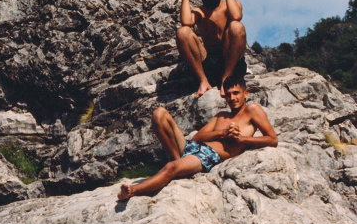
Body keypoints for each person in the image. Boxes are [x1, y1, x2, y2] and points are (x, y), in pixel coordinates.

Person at [117, 76, 277, 201]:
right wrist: (222, 133)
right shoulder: (221, 115)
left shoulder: (252, 110)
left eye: (236, 93)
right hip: (193, 147)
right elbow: (198, 136)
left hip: (209, 156)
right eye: (228, 95)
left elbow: (272, 140)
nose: (232, 98)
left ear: (245, 94)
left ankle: (132, 191)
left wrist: (242, 139)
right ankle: (178, 160)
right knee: (159, 113)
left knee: (171, 167)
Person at [177, 0, 247, 98]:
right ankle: (203, 81)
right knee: (182, 32)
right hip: (210, 65)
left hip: (231, 61)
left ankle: (226, 79)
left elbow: (237, 16)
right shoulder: (200, 12)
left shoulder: (232, 6)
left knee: (236, 26)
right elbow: (186, 22)